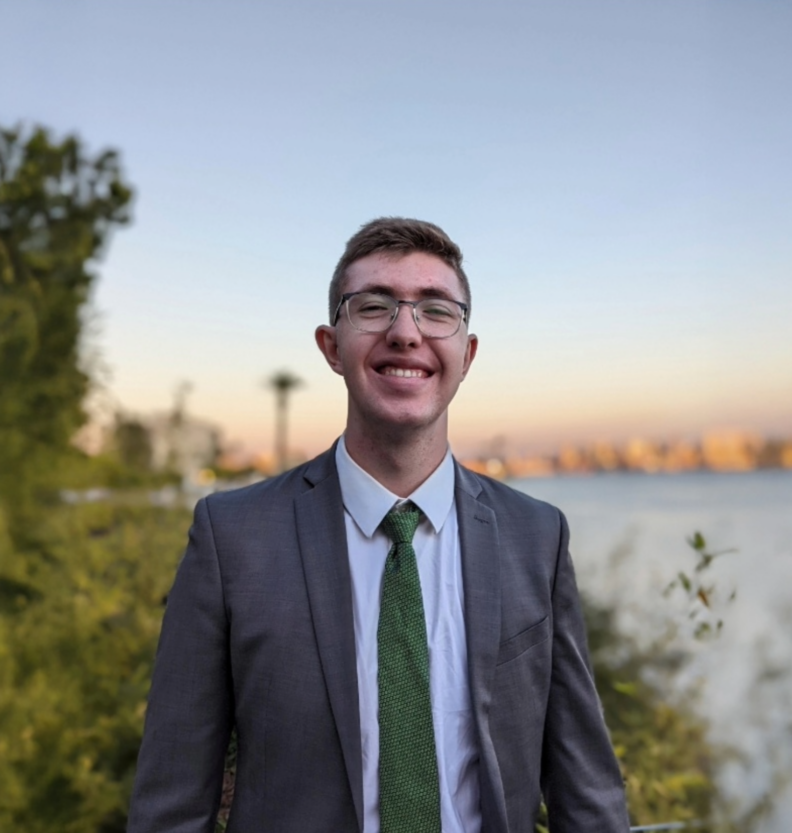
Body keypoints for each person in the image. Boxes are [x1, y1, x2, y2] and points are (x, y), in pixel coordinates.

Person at [128, 217, 630, 832]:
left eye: (436, 310)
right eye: (373, 306)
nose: (405, 332)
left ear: (466, 354)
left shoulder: (537, 536)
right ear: (331, 346)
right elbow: (171, 803)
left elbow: (587, 791)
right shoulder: (231, 538)